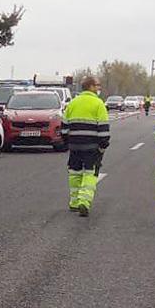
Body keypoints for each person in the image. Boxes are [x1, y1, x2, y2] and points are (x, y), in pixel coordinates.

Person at [61, 76, 110, 217]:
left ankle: (74, 202)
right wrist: (103, 145)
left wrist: (68, 142)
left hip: (75, 146)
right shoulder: (98, 104)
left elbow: (64, 127)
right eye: (97, 85)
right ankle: (84, 201)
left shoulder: (73, 103)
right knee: (90, 174)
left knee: (74, 174)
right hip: (92, 147)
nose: (99, 88)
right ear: (91, 87)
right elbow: (103, 128)